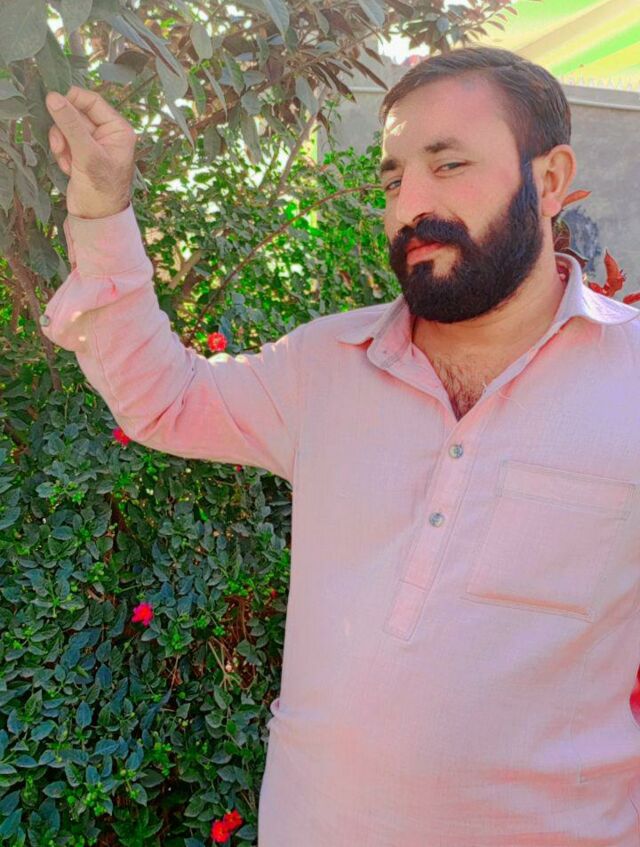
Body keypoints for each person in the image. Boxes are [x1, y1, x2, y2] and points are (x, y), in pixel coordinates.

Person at [41, 45, 640, 846]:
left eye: (448, 165)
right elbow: (166, 398)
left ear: (552, 179)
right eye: (392, 180)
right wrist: (101, 208)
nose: (409, 206)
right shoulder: (326, 365)